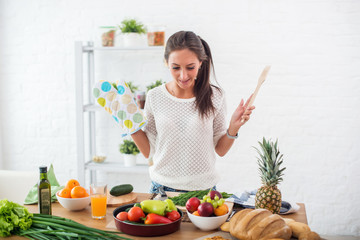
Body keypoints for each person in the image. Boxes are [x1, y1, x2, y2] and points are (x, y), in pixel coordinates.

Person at [131, 31, 255, 193]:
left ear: (201, 63)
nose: (183, 75)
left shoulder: (215, 96)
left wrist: (233, 127)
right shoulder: (155, 96)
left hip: (204, 191)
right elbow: (149, 150)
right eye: (175, 68)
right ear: (166, 63)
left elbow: (221, 150)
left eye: (190, 67)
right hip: (161, 188)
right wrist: (128, 123)